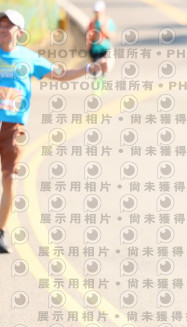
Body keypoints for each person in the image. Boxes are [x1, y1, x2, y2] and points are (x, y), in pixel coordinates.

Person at [0, 9, 107, 253]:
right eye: (1, 25)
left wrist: (91, 68)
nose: (3, 30)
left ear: (20, 32)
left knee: (10, 179)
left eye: (9, 26)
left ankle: (0, 232)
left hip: (13, 128)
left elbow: (60, 74)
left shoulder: (27, 58)